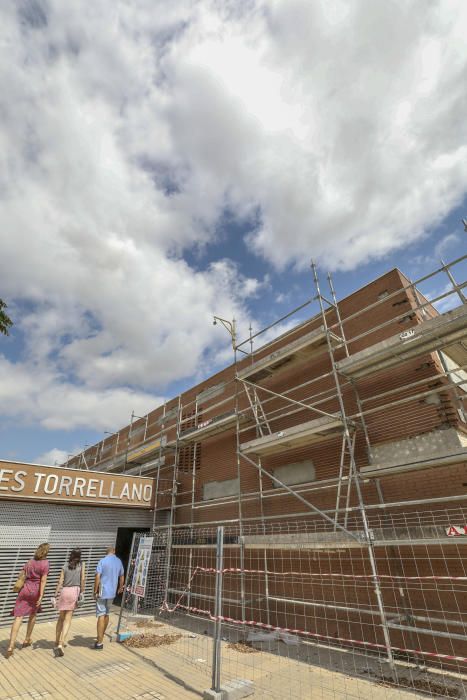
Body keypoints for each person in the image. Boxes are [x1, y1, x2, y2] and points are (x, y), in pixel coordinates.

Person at [7, 542, 50, 656]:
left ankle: (11, 646)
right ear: (46, 552)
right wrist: (41, 596)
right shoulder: (45, 563)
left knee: (18, 617)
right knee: (32, 615)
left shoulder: (29, 562)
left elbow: (21, 575)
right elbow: (43, 581)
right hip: (35, 592)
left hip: (24, 590)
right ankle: (27, 639)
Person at [53, 548, 86, 657]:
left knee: (60, 618)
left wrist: (55, 593)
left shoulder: (65, 565)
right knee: (68, 619)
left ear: (71, 555)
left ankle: (56, 641)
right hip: (74, 592)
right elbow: (82, 580)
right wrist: (82, 592)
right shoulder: (82, 565)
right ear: (79, 556)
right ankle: (61, 643)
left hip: (64, 591)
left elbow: (60, 581)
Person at [93, 546, 124, 650]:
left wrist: (95, 590)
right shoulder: (118, 561)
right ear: (114, 551)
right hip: (112, 592)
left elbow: (97, 576)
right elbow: (122, 576)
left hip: (102, 592)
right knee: (107, 613)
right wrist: (120, 587)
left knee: (101, 614)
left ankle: (99, 642)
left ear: (106, 552)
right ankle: (101, 635)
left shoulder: (102, 561)